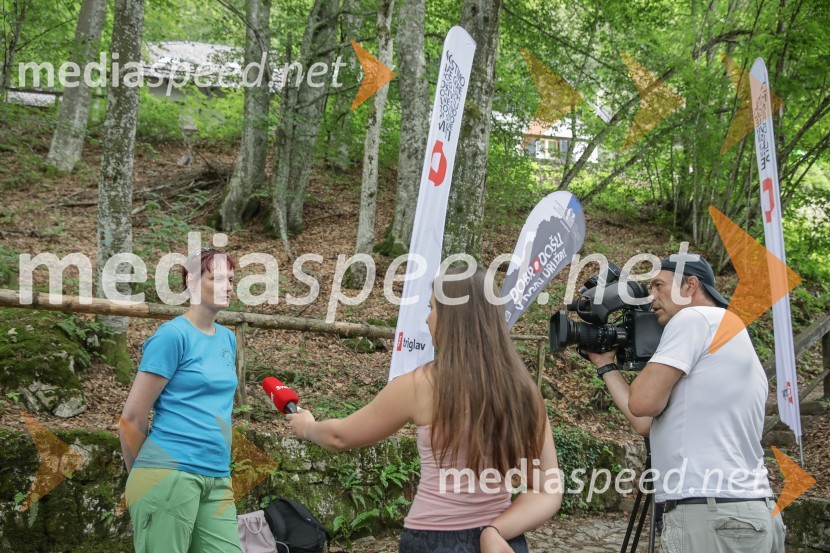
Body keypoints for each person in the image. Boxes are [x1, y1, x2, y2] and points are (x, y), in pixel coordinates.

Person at [287, 267, 562, 553]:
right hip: (502, 542)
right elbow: (549, 489)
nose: (428, 318)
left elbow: (339, 437)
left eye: (432, 308)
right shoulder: (525, 392)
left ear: (452, 317)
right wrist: (495, 531)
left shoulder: (420, 385)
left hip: (434, 541)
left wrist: (307, 427)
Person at [589, 254, 785, 552]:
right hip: (751, 511)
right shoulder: (730, 329)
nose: (651, 298)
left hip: (710, 516)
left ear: (690, 285)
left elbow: (641, 401)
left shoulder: (694, 318)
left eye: (659, 286)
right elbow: (644, 422)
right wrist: (606, 365)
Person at [119, 248, 242, 553]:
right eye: (218, 278)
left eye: (231, 279)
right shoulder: (173, 336)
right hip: (168, 472)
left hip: (217, 475)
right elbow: (132, 418)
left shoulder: (228, 338)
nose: (228, 286)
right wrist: (143, 477)